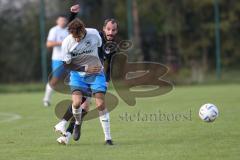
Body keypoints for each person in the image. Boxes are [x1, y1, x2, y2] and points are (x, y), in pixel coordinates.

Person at [55, 17, 118, 145]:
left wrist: (106, 79)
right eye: (108, 29)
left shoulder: (103, 40)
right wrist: (72, 13)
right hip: (80, 74)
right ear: (103, 29)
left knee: (94, 105)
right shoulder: (74, 40)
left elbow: (107, 60)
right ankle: (68, 130)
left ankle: (107, 138)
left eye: (114, 30)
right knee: (79, 104)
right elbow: (67, 64)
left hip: (96, 75)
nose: (111, 32)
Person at [43, 15, 69, 107]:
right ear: (57, 21)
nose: (63, 22)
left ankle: (83, 99)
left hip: (70, 59)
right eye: (61, 20)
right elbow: (49, 44)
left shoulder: (69, 30)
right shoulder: (54, 30)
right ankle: (46, 99)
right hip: (58, 59)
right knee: (55, 80)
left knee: (78, 77)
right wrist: (62, 43)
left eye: (64, 20)